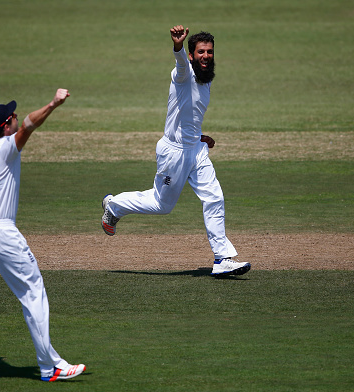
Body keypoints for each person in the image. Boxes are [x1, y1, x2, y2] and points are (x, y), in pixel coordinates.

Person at [0, 73, 86, 385]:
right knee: (33, 292)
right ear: (5, 125)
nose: (14, 118)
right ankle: (50, 365)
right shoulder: (5, 148)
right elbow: (28, 126)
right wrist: (53, 103)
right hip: (2, 235)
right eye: (10, 116)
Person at [101, 25, 251, 277]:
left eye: (210, 52)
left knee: (214, 197)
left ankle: (222, 258)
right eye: (201, 52)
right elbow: (181, 64)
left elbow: (188, 114)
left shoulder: (205, 79)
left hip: (195, 149)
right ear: (192, 55)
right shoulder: (183, 74)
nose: (206, 56)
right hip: (174, 153)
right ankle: (114, 205)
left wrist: (200, 136)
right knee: (162, 205)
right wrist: (178, 46)